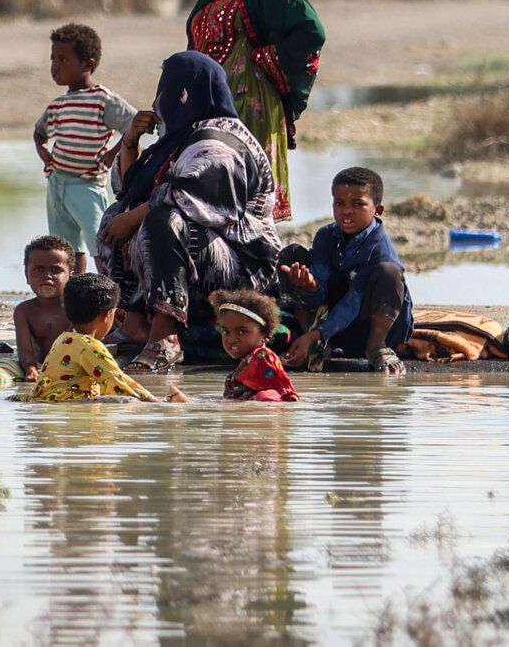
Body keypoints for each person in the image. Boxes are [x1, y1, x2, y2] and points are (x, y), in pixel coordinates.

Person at [97, 51, 282, 371]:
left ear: (185, 94)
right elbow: (129, 190)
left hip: (240, 266)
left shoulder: (218, 142)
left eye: (166, 92)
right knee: (115, 215)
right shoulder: (181, 138)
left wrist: (132, 218)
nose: (159, 102)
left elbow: (191, 198)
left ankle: (165, 335)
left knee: (163, 222)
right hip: (194, 261)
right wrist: (129, 142)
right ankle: (134, 323)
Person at [187, 0, 326, 222]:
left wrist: (262, 61)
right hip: (209, 105)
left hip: (248, 108)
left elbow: (311, 32)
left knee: (243, 211)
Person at [279, 167, 412, 374]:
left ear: (378, 210)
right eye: (339, 203)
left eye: (358, 204)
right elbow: (321, 288)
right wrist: (310, 285)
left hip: (366, 324)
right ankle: (313, 345)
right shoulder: (326, 235)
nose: (347, 211)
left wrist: (318, 333)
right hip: (331, 326)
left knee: (389, 273)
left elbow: (354, 300)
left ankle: (376, 346)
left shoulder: (379, 249)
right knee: (291, 254)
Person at [35, 22, 138, 274]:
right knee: (66, 248)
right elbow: (39, 133)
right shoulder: (58, 104)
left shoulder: (103, 100)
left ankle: (108, 293)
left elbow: (134, 125)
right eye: (52, 59)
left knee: (100, 242)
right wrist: (44, 153)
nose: (55, 66)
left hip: (86, 186)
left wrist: (112, 155)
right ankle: (74, 297)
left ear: (87, 65)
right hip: (56, 185)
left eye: (63, 59)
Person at [20, 273, 190, 403]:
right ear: (108, 315)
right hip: (69, 403)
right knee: (127, 401)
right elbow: (117, 380)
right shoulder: (90, 346)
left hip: (49, 400)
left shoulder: (63, 339)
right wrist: (156, 402)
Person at [0, 234, 75, 387]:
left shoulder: (76, 308)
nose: (47, 276)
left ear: (70, 275)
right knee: (2, 365)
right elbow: (24, 350)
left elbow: (74, 345)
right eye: (38, 269)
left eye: (55, 270)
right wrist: (31, 368)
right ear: (26, 275)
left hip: (69, 367)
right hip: (35, 367)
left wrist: (56, 369)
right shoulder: (24, 311)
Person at [211, 289, 300, 402]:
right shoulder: (248, 361)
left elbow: (285, 394)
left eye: (241, 331)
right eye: (225, 332)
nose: (231, 339)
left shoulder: (262, 357)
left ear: (266, 334)